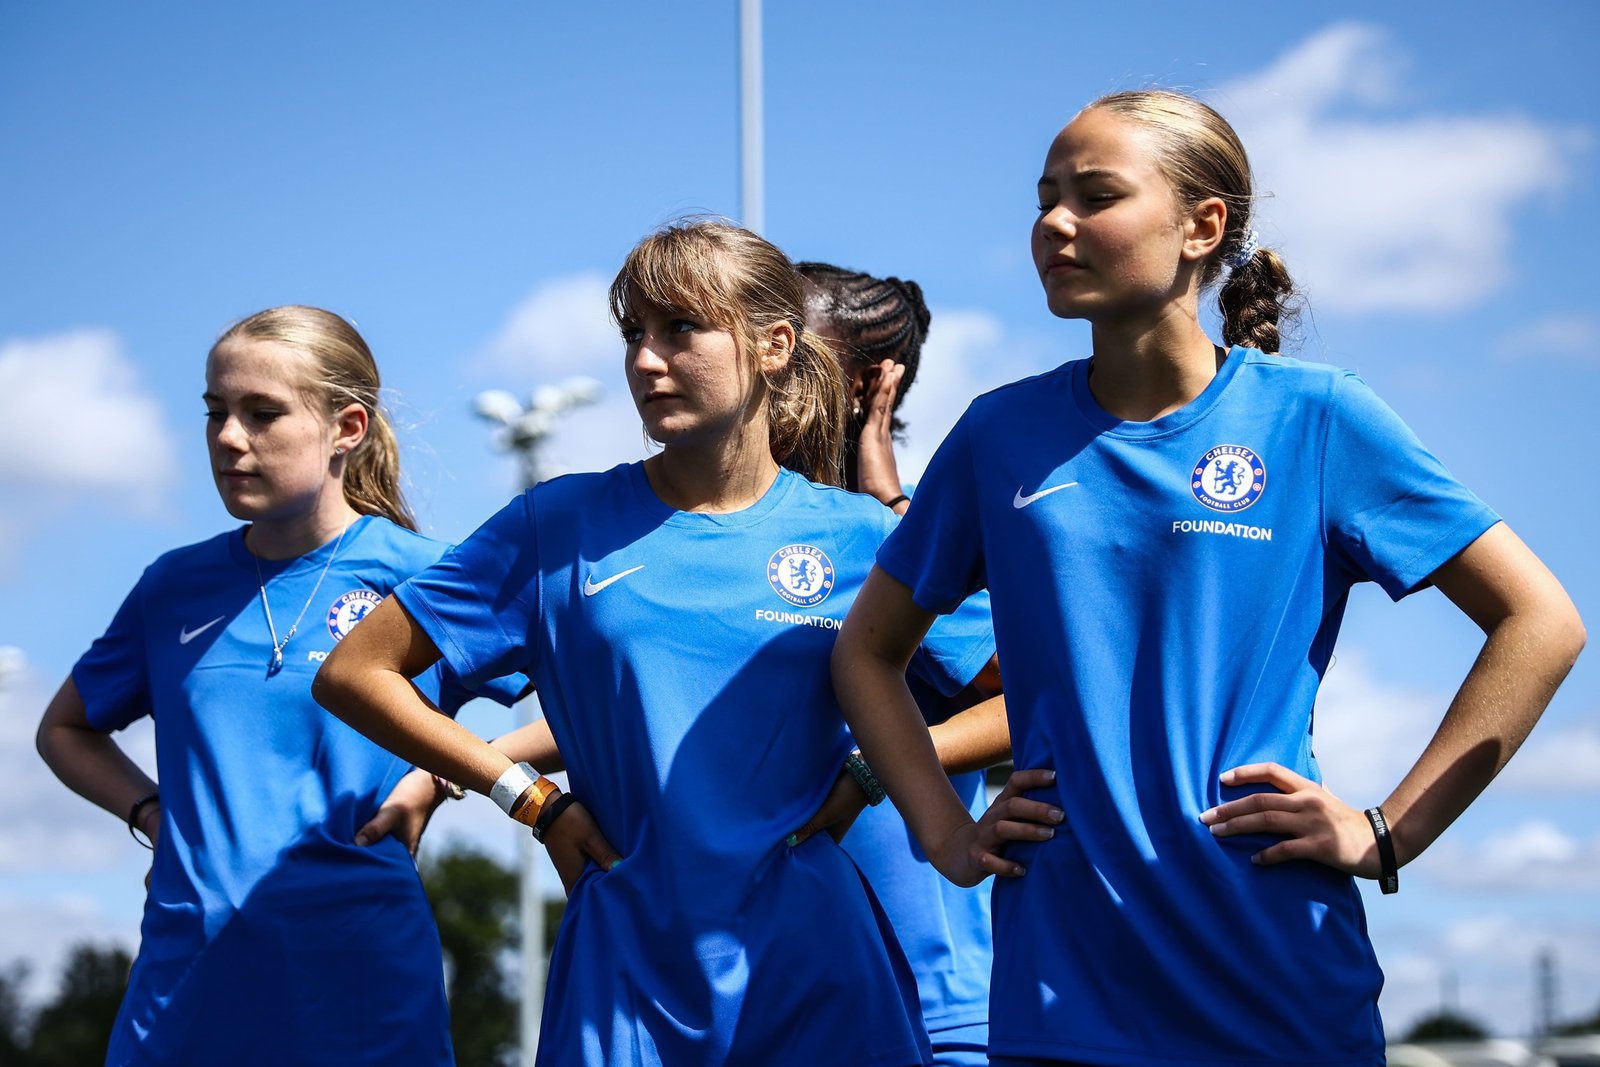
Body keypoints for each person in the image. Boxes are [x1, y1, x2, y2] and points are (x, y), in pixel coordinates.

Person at [832, 89, 1585, 1067]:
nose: (1055, 222)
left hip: (1277, 988)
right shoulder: (998, 433)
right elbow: (866, 652)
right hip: (1061, 995)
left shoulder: (1316, 417)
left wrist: (1390, 830)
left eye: (1096, 195)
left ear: (1203, 226)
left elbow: (1540, 620)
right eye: (1044, 199)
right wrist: (944, 831)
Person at [312, 219, 1053, 1067]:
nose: (646, 359)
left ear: (774, 346)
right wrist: (527, 796)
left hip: (821, 975)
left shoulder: (858, 535)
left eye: (681, 329)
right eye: (634, 333)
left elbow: (1030, 688)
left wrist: (877, 775)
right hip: (625, 980)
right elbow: (354, 671)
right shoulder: (556, 526)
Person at [35, 306, 525, 1066]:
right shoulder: (173, 586)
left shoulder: (426, 574)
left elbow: (593, 701)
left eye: (262, 413)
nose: (229, 437)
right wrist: (153, 814)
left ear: (347, 428)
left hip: (362, 988)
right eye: (216, 412)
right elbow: (63, 729)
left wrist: (447, 777)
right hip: (184, 991)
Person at [792, 261, 1001, 1067]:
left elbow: (1030, 692)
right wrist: (497, 772)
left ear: (867, 384)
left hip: (931, 1016)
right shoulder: (733, 542)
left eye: (792, 348)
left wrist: (872, 766)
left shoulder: (913, 541)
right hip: (768, 1009)